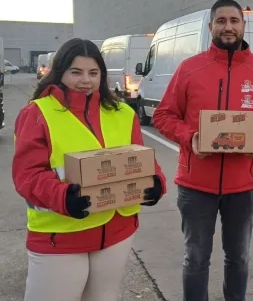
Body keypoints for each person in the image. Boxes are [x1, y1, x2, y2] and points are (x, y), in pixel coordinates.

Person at [153, 0, 253, 300]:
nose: (227, 27)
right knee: (195, 258)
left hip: (243, 185)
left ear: (244, 25)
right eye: (221, 21)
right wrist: (190, 137)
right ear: (210, 27)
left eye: (234, 20)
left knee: (239, 258)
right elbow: (163, 115)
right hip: (195, 185)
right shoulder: (190, 69)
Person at [12, 38, 167, 301]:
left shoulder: (122, 112)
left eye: (93, 73)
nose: (85, 80)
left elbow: (142, 161)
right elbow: (27, 175)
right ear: (59, 72)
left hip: (116, 232)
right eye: (76, 72)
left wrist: (156, 183)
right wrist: (63, 196)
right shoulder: (37, 113)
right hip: (61, 236)